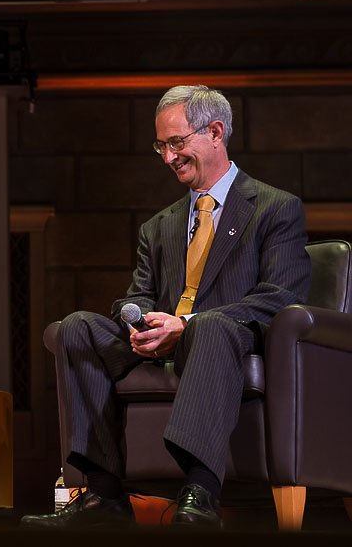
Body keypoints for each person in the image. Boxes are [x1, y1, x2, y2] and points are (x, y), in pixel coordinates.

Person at [21, 86, 311, 528]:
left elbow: (282, 297)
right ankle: (103, 494)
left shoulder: (274, 208)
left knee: (210, 325)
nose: (168, 158)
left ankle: (200, 491)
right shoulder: (159, 226)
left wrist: (186, 324)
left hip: (224, 340)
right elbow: (138, 294)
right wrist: (140, 321)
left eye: (177, 143)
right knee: (77, 327)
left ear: (215, 132)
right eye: (161, 146)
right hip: (161, 342)